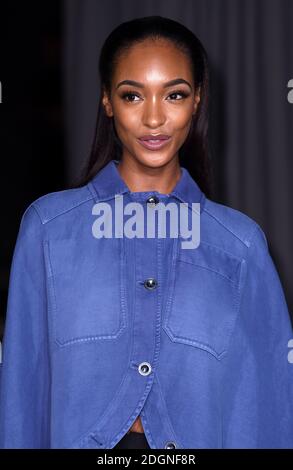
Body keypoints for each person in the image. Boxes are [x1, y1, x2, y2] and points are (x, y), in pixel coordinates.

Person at [0, 15, 292, 449]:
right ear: (106, 101)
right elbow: (22, 394)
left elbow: (270, 405)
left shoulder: (240, 245)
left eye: (175, 94)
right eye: (133, 95)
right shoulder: (47, 230)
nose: (154, 118)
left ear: (197, 102)